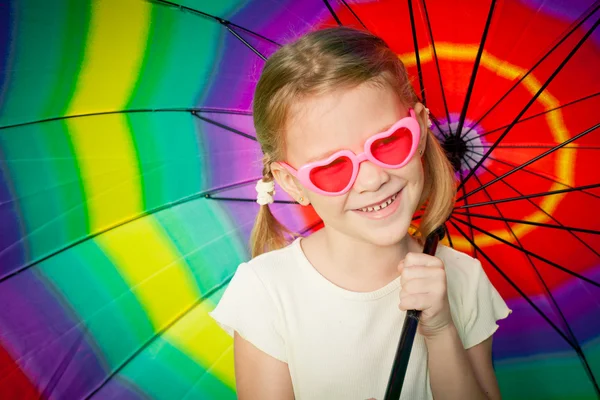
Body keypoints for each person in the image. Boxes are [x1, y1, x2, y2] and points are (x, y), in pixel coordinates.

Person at [209, 26, 510, 400]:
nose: (372, 179)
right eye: (333, 167)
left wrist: (441, 330)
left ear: (417, 124)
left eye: (387, 142)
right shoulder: (268, 292)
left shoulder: (463, 279)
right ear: (292, 183)